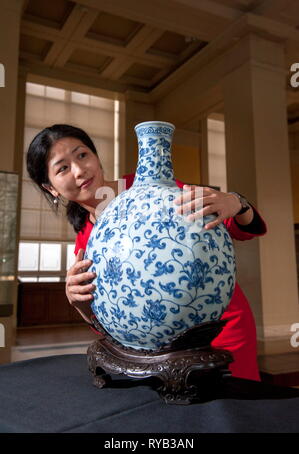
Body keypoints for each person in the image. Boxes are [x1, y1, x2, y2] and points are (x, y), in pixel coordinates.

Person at [26, 124, 266, 381]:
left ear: (95, 156)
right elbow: (113, 323)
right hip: (155, 354)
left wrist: (236, 202)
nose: (79, 170)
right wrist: (81, 305)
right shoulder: (85, 238)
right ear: (51, 187)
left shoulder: (152, 187)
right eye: (62, 168)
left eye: (82, 155)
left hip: (216, 330)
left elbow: (241, 229)